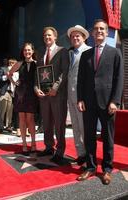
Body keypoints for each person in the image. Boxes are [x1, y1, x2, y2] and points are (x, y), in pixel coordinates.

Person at [76, 19, 123, 184]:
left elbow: (119, 79)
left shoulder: (115, 53)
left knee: (108, 137)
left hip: (108, 103)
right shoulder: (85, 54)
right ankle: (90, 167)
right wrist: (80, 98)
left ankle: (107, 169)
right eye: (96, 29)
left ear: (107, 31)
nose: (99, 31)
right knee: (89, 136)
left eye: (102, 28)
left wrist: (115, 101)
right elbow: (80, 79)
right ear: (93, 32)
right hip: (88, 102)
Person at [34, 26, 69, 163]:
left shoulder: (63, 51)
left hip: (58, 94)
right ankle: (49, 147)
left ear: (55, 37)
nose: (47, 38)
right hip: (44, 95)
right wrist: (36, 87)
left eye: (49, 35)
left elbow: (64, 72)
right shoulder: (41, 53)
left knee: (59, 124)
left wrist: (55, 87)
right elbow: (37, 74)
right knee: (47, 122)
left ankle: (60, 151)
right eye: (45, 36)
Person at [67, 25, 91, 165]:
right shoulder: (71, 53)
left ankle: (89, 156)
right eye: (73, 36)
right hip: (71, 96)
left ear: (83, 37)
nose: (75, 38)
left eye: (78, 36)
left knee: (84, 128)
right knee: (75, 127)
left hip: (82, 98)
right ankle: (81, 154)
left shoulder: (89, 51)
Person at [8, 42, 38, 154]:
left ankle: (33, 143)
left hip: (32, 93)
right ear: (23, 52)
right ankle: (24, 144)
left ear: (33, 51)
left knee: (30, 119)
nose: (27, 52)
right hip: (20, 94)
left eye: (29, 50)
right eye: (25, 50)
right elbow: (9, 73)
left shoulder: (37, 63)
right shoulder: (19, 63)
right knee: (22, 118)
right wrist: (15, 83)